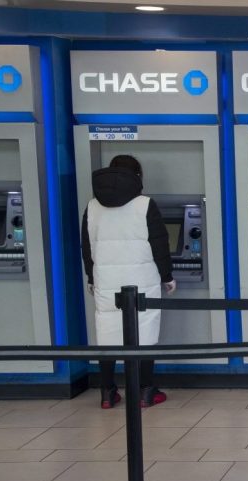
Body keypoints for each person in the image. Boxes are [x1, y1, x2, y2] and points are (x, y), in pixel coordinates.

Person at [81, 154, 175, 409]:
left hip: (106, 281)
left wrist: (92, 277)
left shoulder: (92, 207)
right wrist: (167, 276)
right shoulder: (145, 205)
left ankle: (107, 393)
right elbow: (159, 244)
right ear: (137, 176)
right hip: (141, 281)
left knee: (108, 334)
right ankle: (145, 391)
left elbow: (87, 247)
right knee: (144, 334)